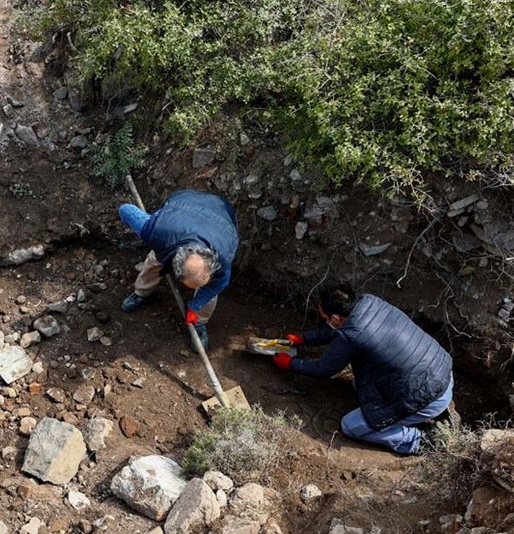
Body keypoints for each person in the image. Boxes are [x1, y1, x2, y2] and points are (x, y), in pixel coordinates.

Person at [271, 282, 454, 455]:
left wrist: (290, 364)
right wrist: (305, 339)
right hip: (442, 374)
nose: (325, 321)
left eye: (325, 318)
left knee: (352, 426)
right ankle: (441, 412)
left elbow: (324, 369)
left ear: (335, 318)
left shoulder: (351, 335)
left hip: (425, 396)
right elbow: (341, 330)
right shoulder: (371, 302)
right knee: (358, 385)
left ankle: (422, 441)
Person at [118, 190, 238, 349]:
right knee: (155, 260)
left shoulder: (223, 257)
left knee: (210, 293)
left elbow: (218, 285)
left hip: (221, 214)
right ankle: (141, 293)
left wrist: (195, 306)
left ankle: (199, 321)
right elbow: (125, 209)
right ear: (175, 263)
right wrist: (146, 229)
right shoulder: (157, 231)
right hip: (182, 204)